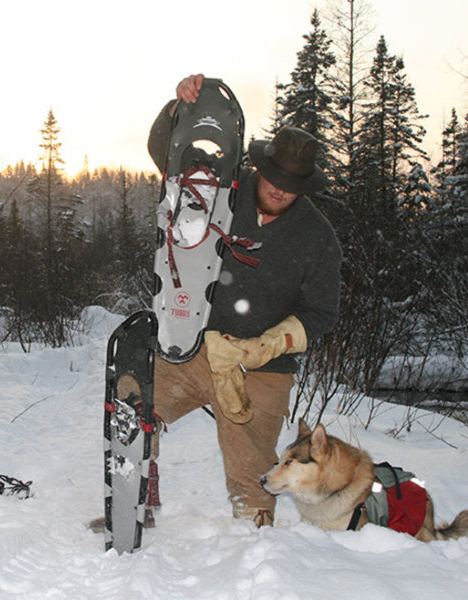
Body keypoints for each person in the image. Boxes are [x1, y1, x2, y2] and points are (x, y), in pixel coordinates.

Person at [147, 74, 342, 527]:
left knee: (254, 488)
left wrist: (266, 346)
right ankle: (136, 490)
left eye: (292, 184)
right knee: (136, 401)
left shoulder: (317, 238)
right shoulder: (222, 185)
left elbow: (321, 313)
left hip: (261, 368)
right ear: (263, 167)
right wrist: (179, 107)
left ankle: (255, 552)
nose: (280, 189)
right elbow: (168, 154)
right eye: (274, 178)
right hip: (196, 347)